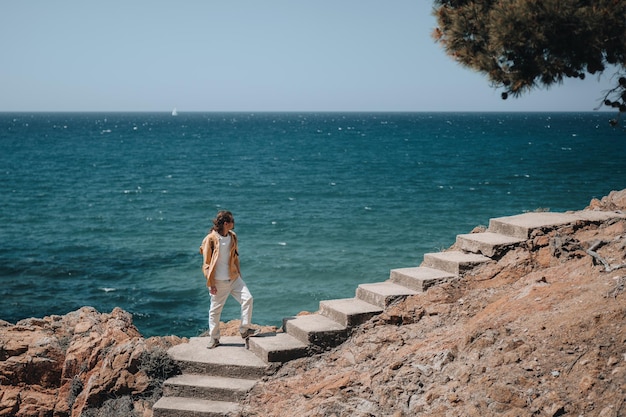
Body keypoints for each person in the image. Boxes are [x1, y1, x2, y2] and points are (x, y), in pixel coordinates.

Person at [200, 210, 257, 349]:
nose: (234, 223)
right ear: (226, 223)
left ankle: (244, 329)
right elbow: (206, 264)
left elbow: (235, 257)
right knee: (215, 311)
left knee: (248, 298)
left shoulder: (233, 237)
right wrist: (211, 283)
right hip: (218, 281)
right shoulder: (211, 239)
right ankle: (214, 338)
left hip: (233, 278)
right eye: (232, 221)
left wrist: (239, 274)